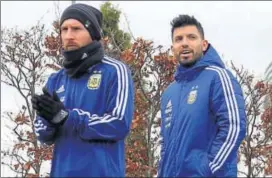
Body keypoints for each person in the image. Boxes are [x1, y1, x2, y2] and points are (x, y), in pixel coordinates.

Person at [31, 3, 134, 177]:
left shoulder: (115, 71)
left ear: (92, 33)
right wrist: (50, 119)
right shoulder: (55, 79)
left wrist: (68, 118)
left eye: (76, 28)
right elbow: (42, 134)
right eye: (64, 29)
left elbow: (119, 123)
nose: (69, 35)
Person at [158, 14, 246, 177]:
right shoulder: (169, 92)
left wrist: (207, 169)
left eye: (191, 37)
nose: (184, 43)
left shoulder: (218, 76)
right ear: (173, 48)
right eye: (178, 39)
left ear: (204, 44)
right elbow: (165, 143)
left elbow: (234, 127)